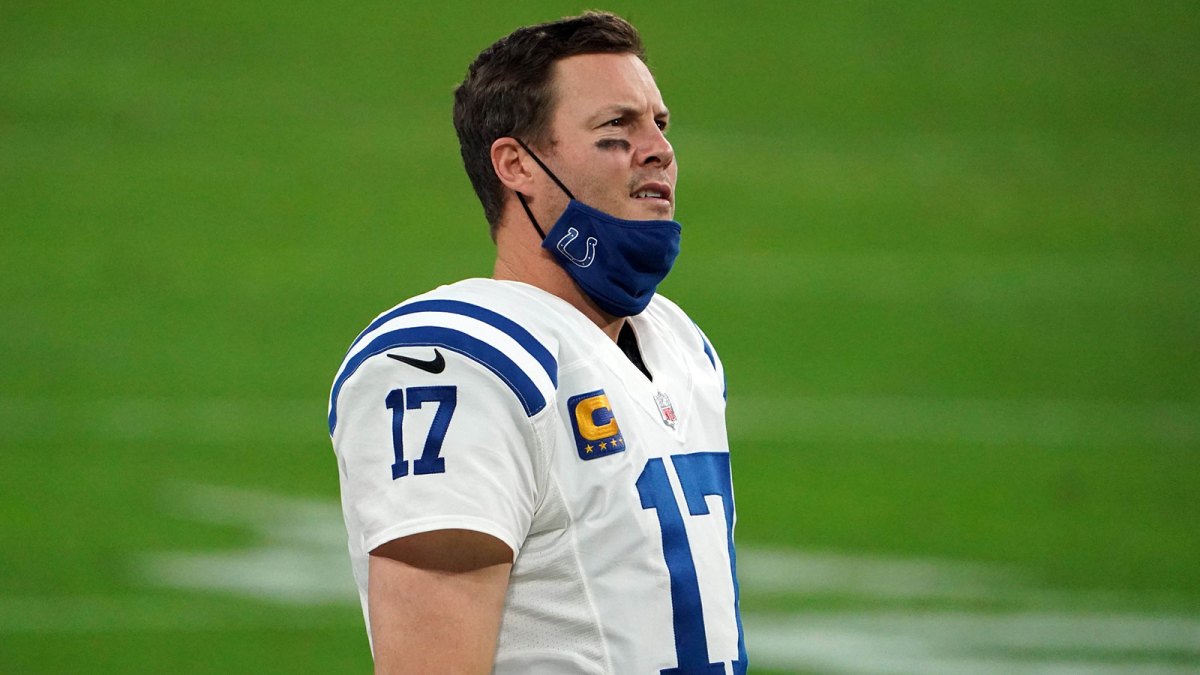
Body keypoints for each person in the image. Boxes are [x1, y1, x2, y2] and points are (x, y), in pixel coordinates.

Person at [328, 11, 746, 674]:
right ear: (517, 164)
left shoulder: (678, 345)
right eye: (618, 128)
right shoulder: (458, 362)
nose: (658, 148)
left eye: (658, 124)